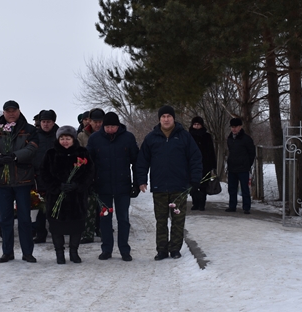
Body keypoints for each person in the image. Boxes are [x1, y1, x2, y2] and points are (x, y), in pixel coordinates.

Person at [136, 105, 202, 261]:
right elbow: (142, 161)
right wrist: (141, 180)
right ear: (159, 119)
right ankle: (162, 250)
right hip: (159, 187)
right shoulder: (151, 138)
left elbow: (195, 159)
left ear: (173, 118)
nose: (166, 119)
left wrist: (195, 179)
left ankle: (175, 249)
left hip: (179, 187)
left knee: (178, 221)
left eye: (169, 116)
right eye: (163, 116)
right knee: (161, 221)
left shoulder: (184, 137)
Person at [0, 100, 39, 263]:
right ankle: (7, 251)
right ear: (3, 113)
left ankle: (27, 252)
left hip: (23, 179)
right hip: (2, 179)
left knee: (24, 218)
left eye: (14, 110)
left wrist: (16, 156)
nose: (11, 113)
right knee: (5, 218)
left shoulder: (29, 129)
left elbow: (33, 148)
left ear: (19, 111)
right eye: (8, 111)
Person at [87, 112, 139, 261]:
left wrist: (136, 183)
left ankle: (124, 250)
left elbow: (136, 162)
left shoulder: (128, 138)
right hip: (102, 186)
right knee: (105, 219)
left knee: (123, 219)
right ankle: (106, 249)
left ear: (118, 126)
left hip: (123, 186)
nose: (110, 129)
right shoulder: (95, 139)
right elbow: (89, 164)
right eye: (108, 126)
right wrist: (90, 183)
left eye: (113, 126)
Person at [41, 125, 94, 264]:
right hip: (56, 197)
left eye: (68, 138)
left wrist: (78, 185)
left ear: (73, 139)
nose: (65, 141)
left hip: (76, 198)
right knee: (56, 227)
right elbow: (44, 174)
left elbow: (89, 173)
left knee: (76, 226)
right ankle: (59, 253)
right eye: (62, 138)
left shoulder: (82, 153)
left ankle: (74, 252)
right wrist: (57, 187)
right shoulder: (51, 154)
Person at [77, 108, 105, 243]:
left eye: (100, 121)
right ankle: (88, 233)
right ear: (90, 121)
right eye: (95, 121)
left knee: (103, 204)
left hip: (104, 173)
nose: (98, 124)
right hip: (88, 174)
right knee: (89, 206)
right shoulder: (82, 136)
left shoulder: (108, 134)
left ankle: (102, 230)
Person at [32, 109, 59, 243]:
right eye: (43, 122)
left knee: (55, 207)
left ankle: (57, 233)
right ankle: (40, 233)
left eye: (48, 122)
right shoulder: (35, 137)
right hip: (39, 177)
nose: (46, 124)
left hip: (56, 178)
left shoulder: (59, 136)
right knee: (40, 208)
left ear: (53, 122)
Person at [226, 117, 256, 214]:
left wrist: (247, 164)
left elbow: (252, 153)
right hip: (232, 167)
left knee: (244, 188)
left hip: (243, 168)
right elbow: (230, 152)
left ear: (240, 127)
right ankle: (232, 206)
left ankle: (246, 207)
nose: (234, 129)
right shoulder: (230, 138)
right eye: (232, 127)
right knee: (232, 188)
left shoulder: (246, 139)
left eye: (236, 127)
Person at [189, 116, 217, 211]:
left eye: (198, 124)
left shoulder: (207, 136)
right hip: (191, 164)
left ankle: (202, 204)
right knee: (193, 185)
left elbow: (211, 151)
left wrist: (213, 165)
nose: (196, 126)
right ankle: (195, 203)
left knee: (203, 185)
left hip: (205, 163)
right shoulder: (188, 136)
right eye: (195, 124)